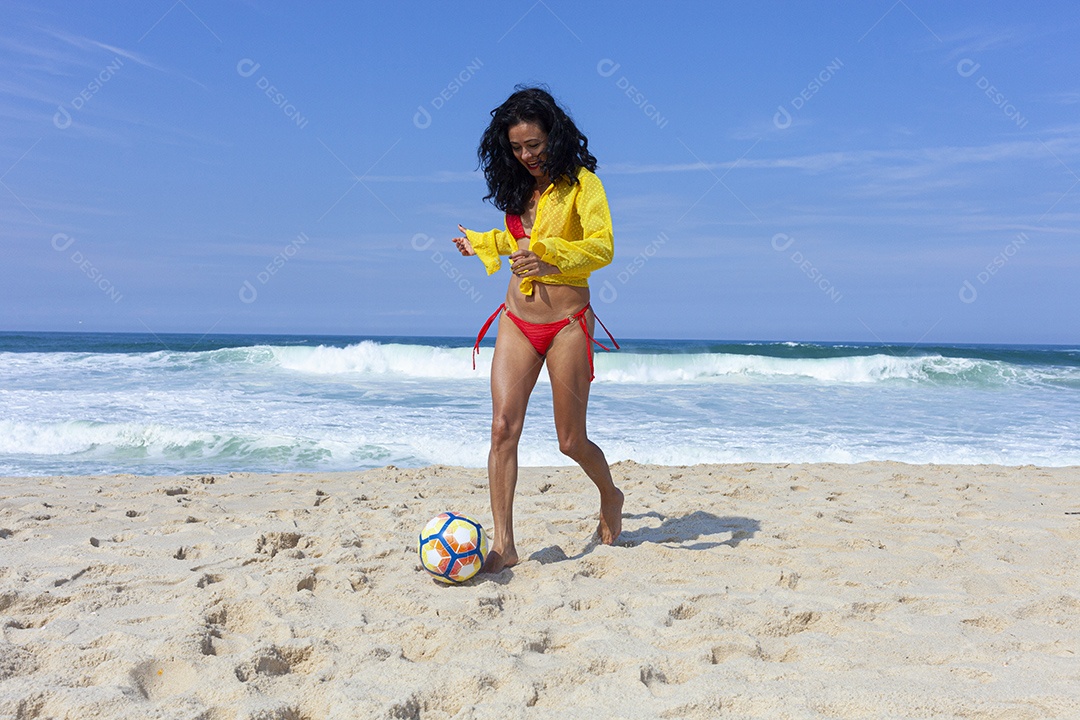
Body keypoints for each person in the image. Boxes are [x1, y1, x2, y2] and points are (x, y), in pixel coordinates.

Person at [452, 86, 624, 573]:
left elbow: (602, 247)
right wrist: (480, 243)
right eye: (517, 147)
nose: (526, 155)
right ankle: (505, 546)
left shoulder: (584, 185)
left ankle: (610, 495)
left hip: (568, 323)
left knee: (570, 440)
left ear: (555, 135)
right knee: (503, 429)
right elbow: (515, 239)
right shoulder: (518, 187)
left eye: (534, 144)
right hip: (516, 320)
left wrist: (550, 256)